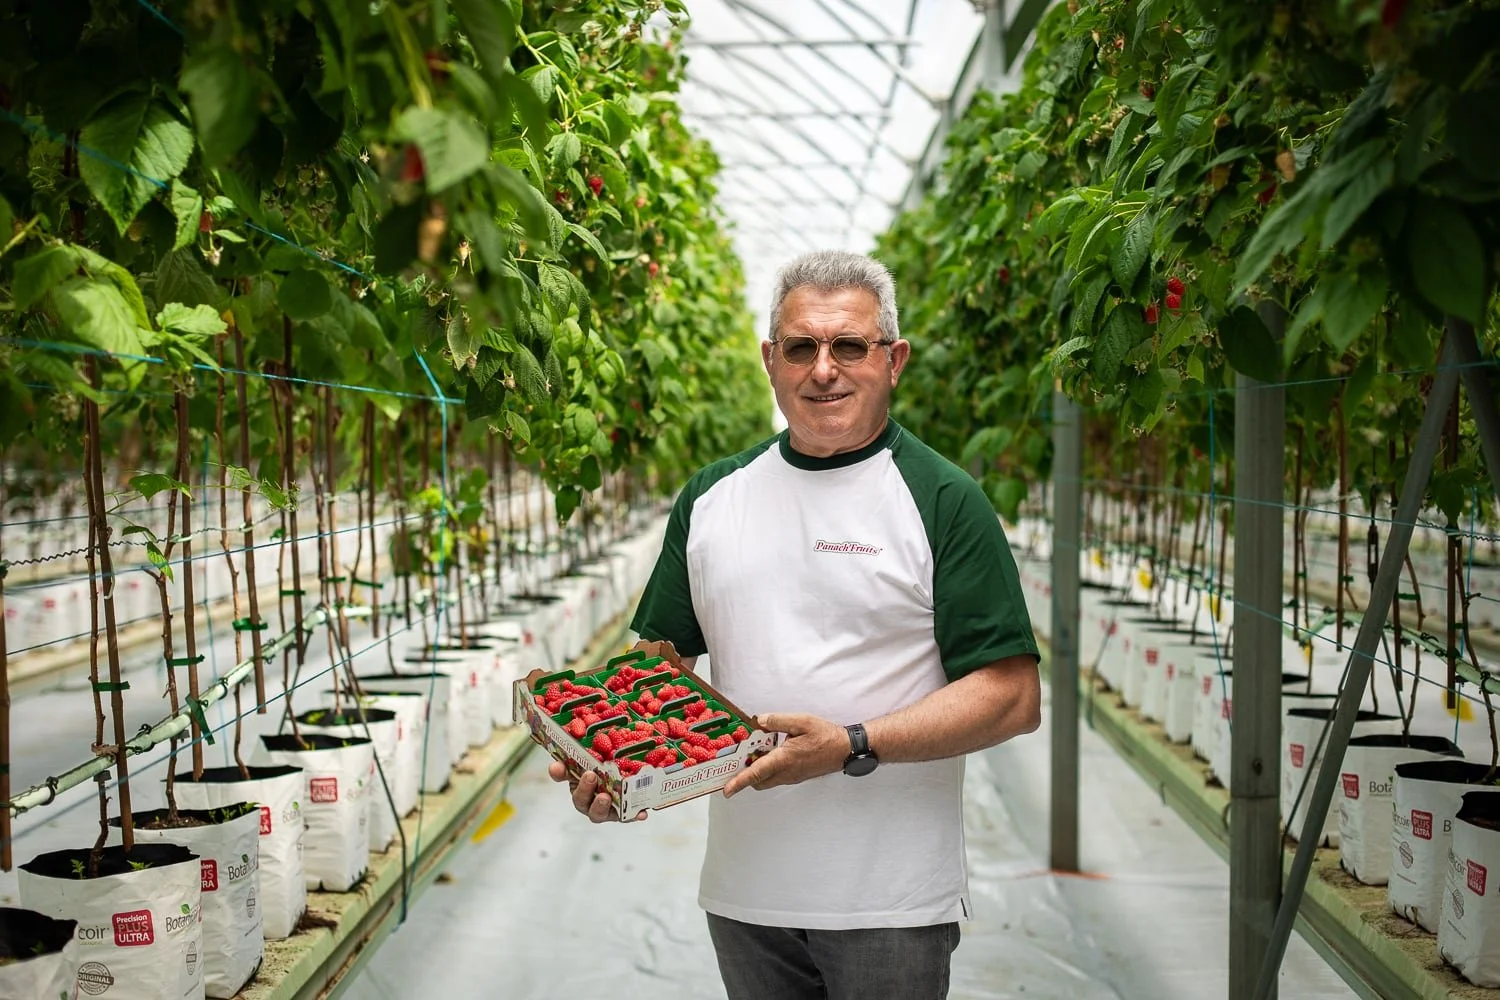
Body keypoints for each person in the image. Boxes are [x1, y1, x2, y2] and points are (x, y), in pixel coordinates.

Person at [550, 249, 1041, 999]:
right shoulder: (712, 498)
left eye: (850, 345)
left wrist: (852, 743)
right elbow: (657, 673)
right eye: (801, 347)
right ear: (770, 360)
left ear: (894, 360)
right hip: (745, 893)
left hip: (890, 902)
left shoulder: (943, 499)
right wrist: (611, 765)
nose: (824, 370)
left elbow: (1012, 695)